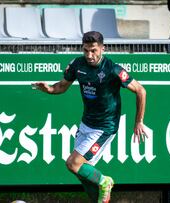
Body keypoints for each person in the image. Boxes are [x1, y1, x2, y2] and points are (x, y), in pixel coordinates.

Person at [32, 31, 147, 203]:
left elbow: (140, 90)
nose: (89, 55)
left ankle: (105, 181)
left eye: (93, 50)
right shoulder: (77, 65)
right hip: (86, 124)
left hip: (104, 127)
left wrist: (138, 121)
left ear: (102, 48)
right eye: (86, 50)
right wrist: (48, 89)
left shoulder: (113, 69)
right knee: (82, 173)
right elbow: (62, 86)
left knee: (72, 163)